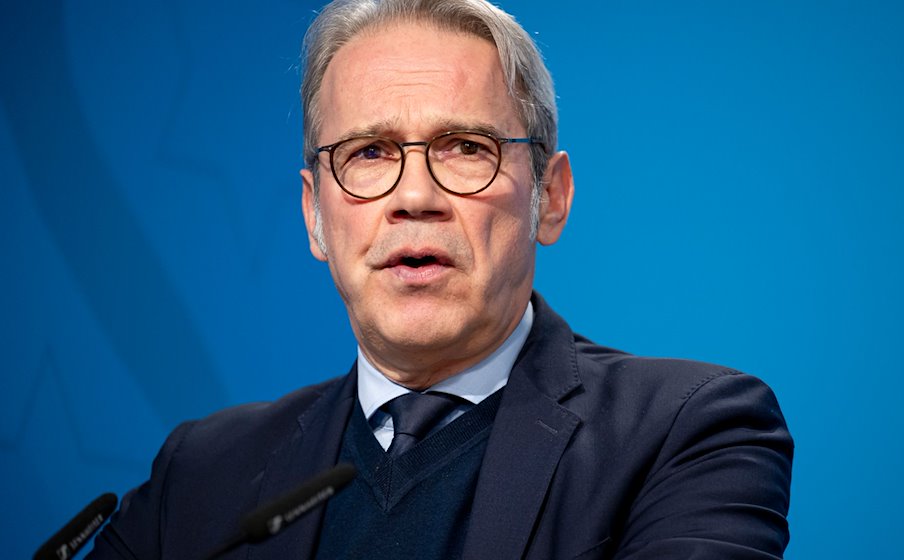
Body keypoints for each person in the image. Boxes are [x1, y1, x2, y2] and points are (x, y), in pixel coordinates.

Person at [88, 0, 793, 558]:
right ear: (314, 216)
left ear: (549, 196)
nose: (414, 196)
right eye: (369, 152)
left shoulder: (689, 431)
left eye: (465, 148)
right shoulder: (203, 474)